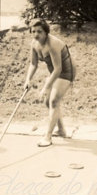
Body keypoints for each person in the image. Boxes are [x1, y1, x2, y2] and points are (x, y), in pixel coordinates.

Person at [23, 19, 76, 147]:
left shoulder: (52, 45)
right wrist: (28, 79)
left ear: (46, 32)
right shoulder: (34, 44)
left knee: (53, 101)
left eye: (39, 31)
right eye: (33, 31)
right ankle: (62, 130)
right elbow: (33, 64)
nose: (36, 34)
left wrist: (46, 87)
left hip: (66, 72)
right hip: (56, 72)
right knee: (49, 102)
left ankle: (48, 137)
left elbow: (58, 69)